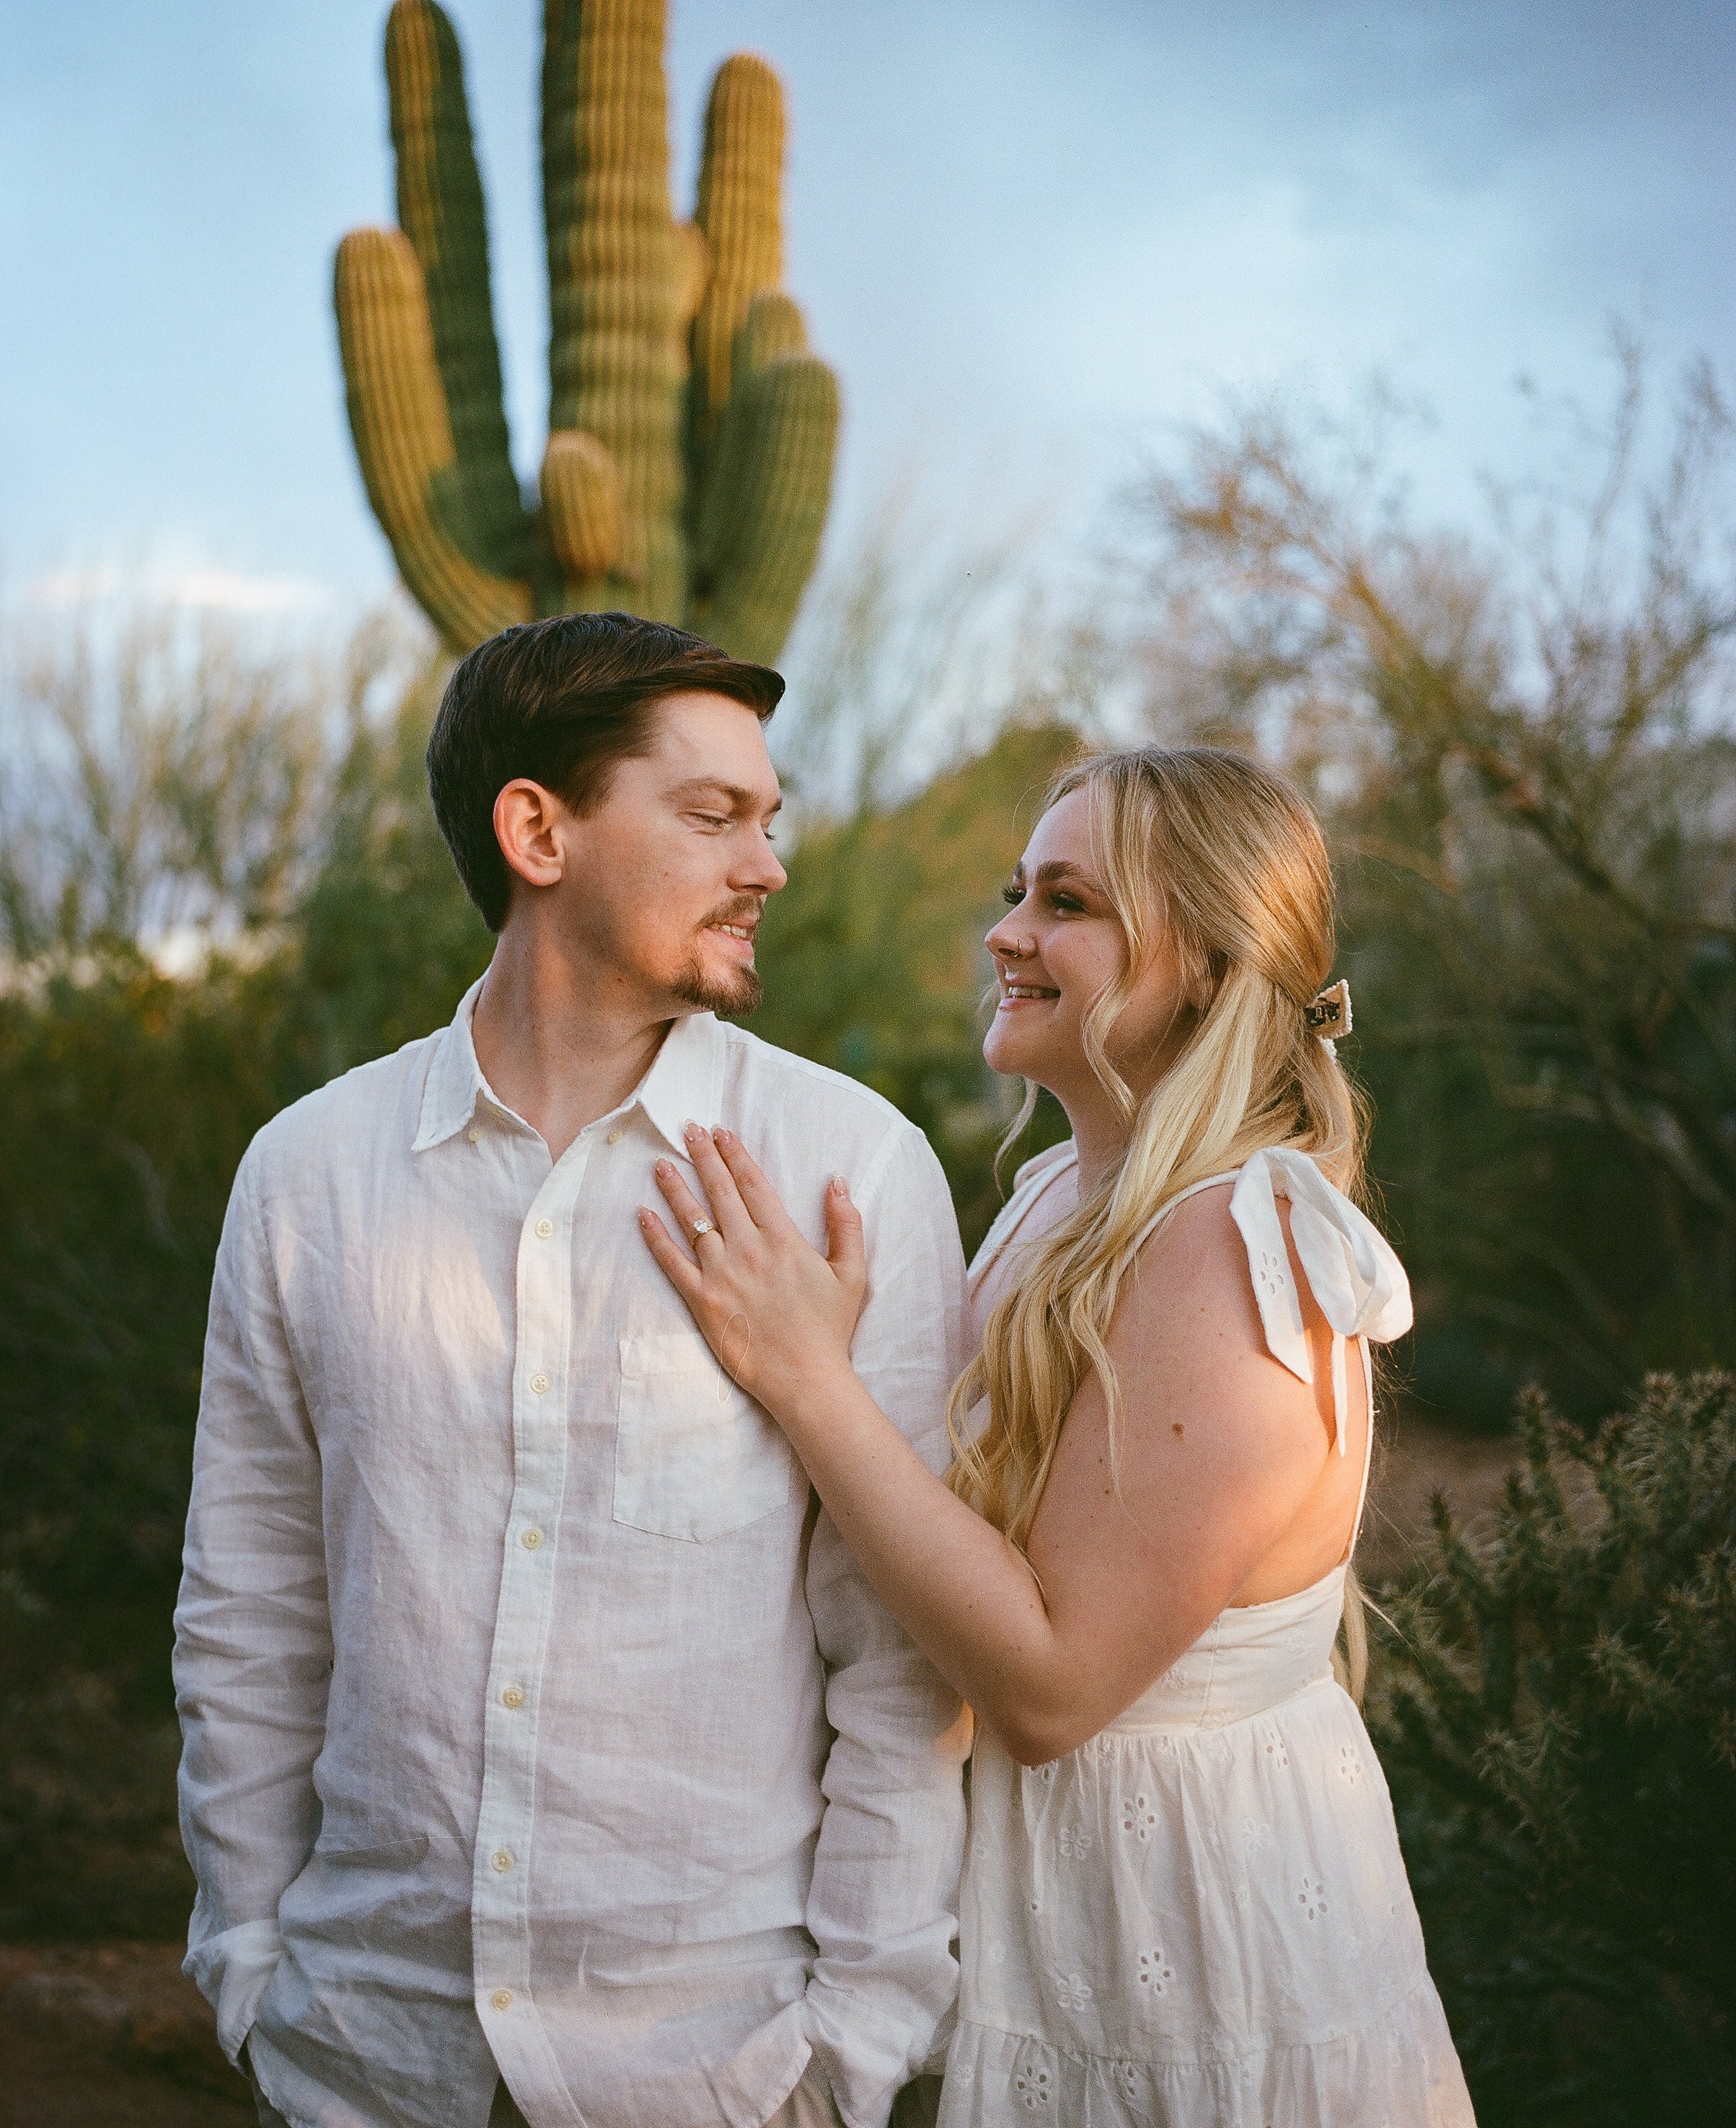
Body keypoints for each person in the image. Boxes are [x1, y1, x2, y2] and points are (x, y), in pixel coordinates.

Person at [174, 613, 969, 2128]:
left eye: (770, 820)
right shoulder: (309, 1174)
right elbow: (250, 1612)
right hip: (362, 2051)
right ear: (537, 830)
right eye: (712, 814)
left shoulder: (845, 1170)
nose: (769, 865)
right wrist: (254, 1966)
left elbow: (900, 1657)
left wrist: (852, 2044)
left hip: (722, 2071)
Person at [640, 746, 1477, 2124]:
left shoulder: (1227, 1246)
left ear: (1205, 965)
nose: (1006, 932)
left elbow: (1050, 1684)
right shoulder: (1061, 1198)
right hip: (1067, 1911)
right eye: (1019, 888)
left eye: (1069, 904)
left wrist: (809, 1382)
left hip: (1201, 1948)